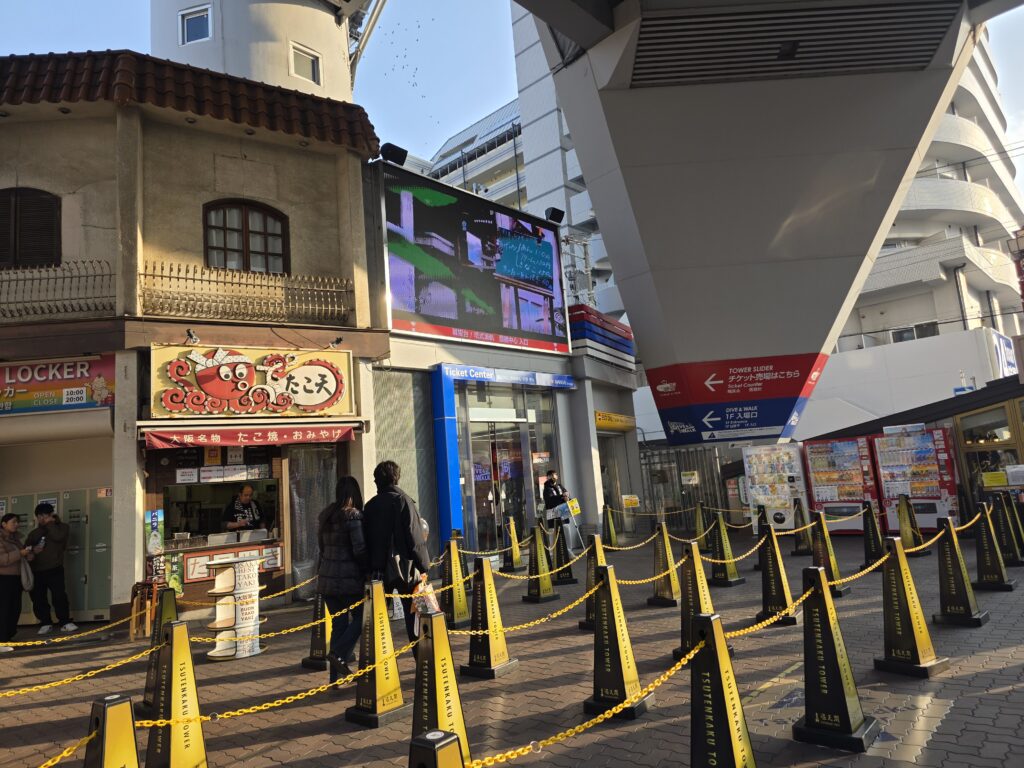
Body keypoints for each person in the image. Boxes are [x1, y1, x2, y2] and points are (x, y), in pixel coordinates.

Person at [363, 461, 431, 643]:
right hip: (406, 567)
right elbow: (415, 537)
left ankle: (378, 655)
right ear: (396, 478)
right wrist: (424, 566)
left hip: (378, 570)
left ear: (377, 481)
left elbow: (365, 541)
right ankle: (422, 652)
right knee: (415, 614)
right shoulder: (403, 501)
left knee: (377, 617)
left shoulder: (370, 506)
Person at [316, 476, 368, 691]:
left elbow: (322, 549)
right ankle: (338, 654)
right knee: (362, 618)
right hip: (349, 581)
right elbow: (360, 550)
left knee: (339, 624)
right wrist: (367, 571)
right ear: (354, 494)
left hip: (327, 581)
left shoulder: (326, 516)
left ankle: (335, 678)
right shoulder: (353, 516)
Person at [23, 503, 76, 634]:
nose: (42, 519)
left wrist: (50, 523)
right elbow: (26, 549)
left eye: (45, 515)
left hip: (55, 568)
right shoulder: (34, 533)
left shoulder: (62, 527)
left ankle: (65, 621)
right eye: (40, 516)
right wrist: (32, 551)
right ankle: (45, 622)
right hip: (37, 570)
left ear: (51, 515)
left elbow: (58, 537)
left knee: (59, 596)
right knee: (38, 598)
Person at [0, 513, 33, 652]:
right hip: (3, 579)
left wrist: (30, 554)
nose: (17, 524)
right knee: (4, 609)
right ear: (4, 524)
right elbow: (2, 559)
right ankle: (2, 640)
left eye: (17, 522)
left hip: (16, 578)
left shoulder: (15, 539)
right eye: (13, 522)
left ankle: (8, 636)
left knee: (15, 608)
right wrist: (20, 553)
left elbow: (21, 556)